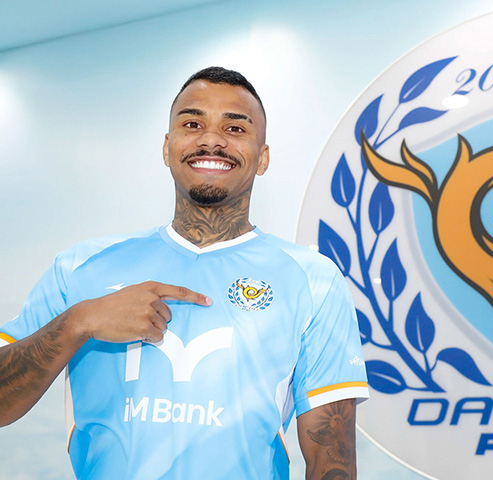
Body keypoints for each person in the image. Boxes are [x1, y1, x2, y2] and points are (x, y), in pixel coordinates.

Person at [0, 66, 369, 480]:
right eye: (193, 124)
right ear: (167, 147)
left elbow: (332, 461)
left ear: (263, 157)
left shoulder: (314, 281)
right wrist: (78, 322)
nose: (211, 139)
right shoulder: (79, 267)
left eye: (235, 128)